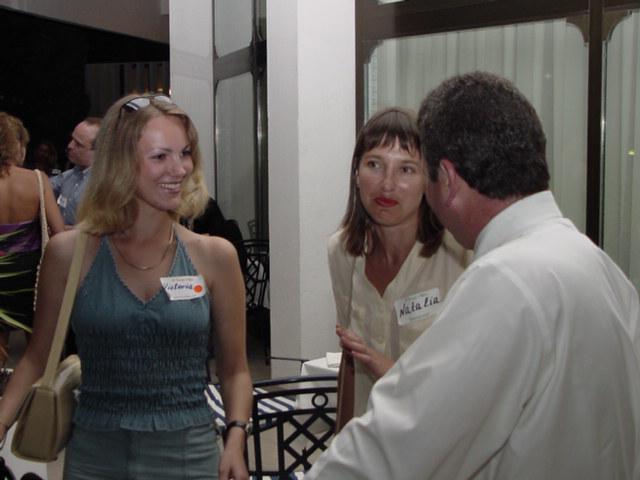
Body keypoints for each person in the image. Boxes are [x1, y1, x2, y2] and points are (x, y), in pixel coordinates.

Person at [306, 72, 640, 479]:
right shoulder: (598, 265)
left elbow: (409, 438)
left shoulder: (503, 282)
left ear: (445, 180)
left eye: (417, 172)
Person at [0, 94, 252, 480]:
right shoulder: (69, 254)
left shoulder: (214, 256)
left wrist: (235, 438)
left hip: (188, 455)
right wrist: (2, 421)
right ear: (120, 162)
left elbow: (235, 370)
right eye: (160, 156)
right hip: (94, 458)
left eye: (185, 153)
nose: (179, 169)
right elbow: (36, 357)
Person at [328, 107, 469, 421]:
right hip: (370, 433)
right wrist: (342, 438)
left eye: (406, 169)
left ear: (428, 180)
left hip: (438, 434)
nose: (387, 184)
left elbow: (474, 373)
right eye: (374, 165)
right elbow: (351, 363)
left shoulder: (460, 254)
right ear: (356, 173)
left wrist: (391, 370)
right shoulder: (342, 252)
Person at [0, 112, 64, 363]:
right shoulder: (37, 180)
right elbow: (58, 232)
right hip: (30, 277)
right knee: (38, 354)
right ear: (17, 145)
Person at [50, 117, 101, 226]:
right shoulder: (70, 175)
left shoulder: (104, 185)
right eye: (72, 139)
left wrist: (63, 230)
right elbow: (44, 186)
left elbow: (101, 230)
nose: (70, 146)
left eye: (78, 144)